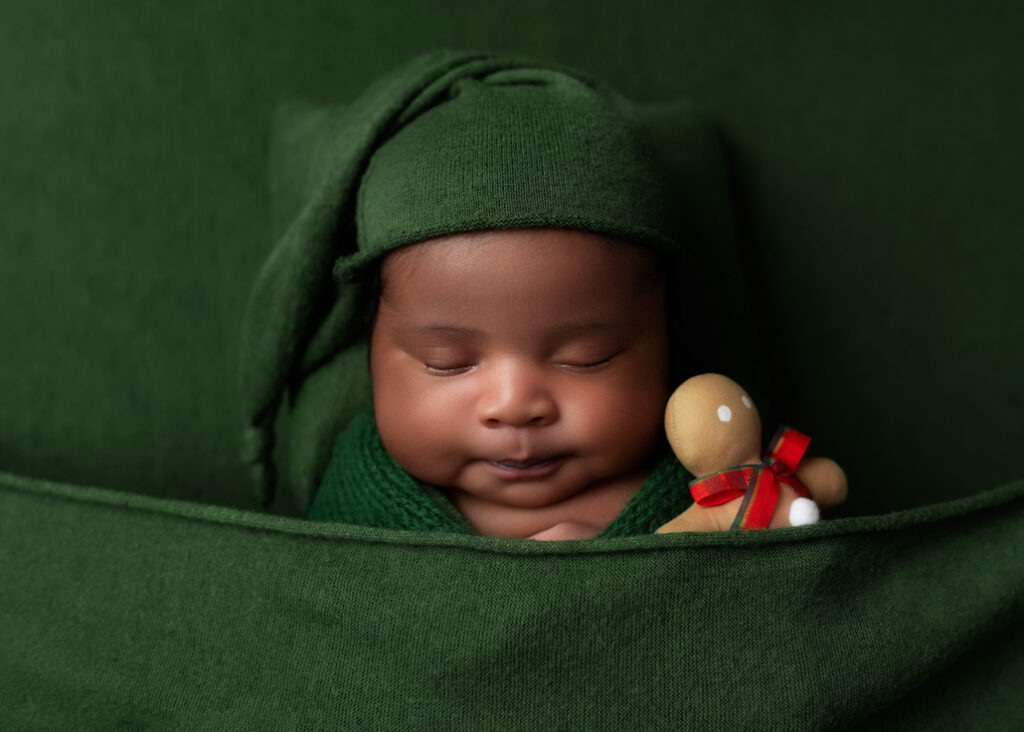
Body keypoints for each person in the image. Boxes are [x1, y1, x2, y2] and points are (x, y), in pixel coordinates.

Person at [241, 50, 709, 538]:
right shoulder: (358, 500)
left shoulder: (706, 492)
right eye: (448, 361)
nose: (513, 405)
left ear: (666, 339)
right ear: (371, 353)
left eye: (585, 357)